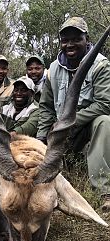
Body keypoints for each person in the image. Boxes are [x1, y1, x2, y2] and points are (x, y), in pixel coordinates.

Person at [36, 17, 110, 210]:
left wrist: (72, 121)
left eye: (76, 39)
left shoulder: (101, 65)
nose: (70, 44)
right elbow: (46, 107)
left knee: (104, 121)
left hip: (86, 131)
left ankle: (104, 191)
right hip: (62, 136)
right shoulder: (52, 69)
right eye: (65, 40)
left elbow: (105, 103)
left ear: (87, 39)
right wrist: (41, 139)